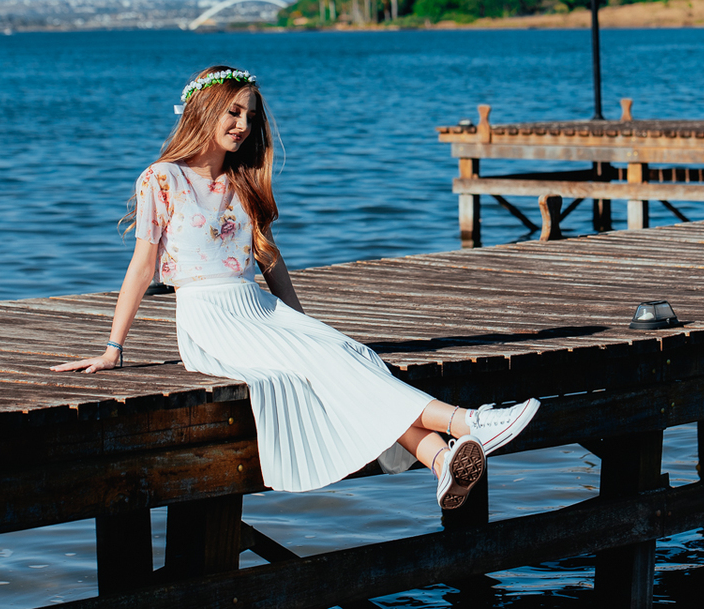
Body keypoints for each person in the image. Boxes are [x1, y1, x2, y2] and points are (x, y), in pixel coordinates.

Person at [52, 66, 539, 509]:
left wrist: (303, 323)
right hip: (208, 318)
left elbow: (269, 258)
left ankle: (440, 463)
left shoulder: (242, 181)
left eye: (250, 115)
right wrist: (114, 347)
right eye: (234, 111)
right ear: (204, 109)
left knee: (346, 355)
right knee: (326, 364)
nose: (243, 124)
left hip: (259, 309)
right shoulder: (161, 179)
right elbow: (141, 266)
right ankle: (465, 423)